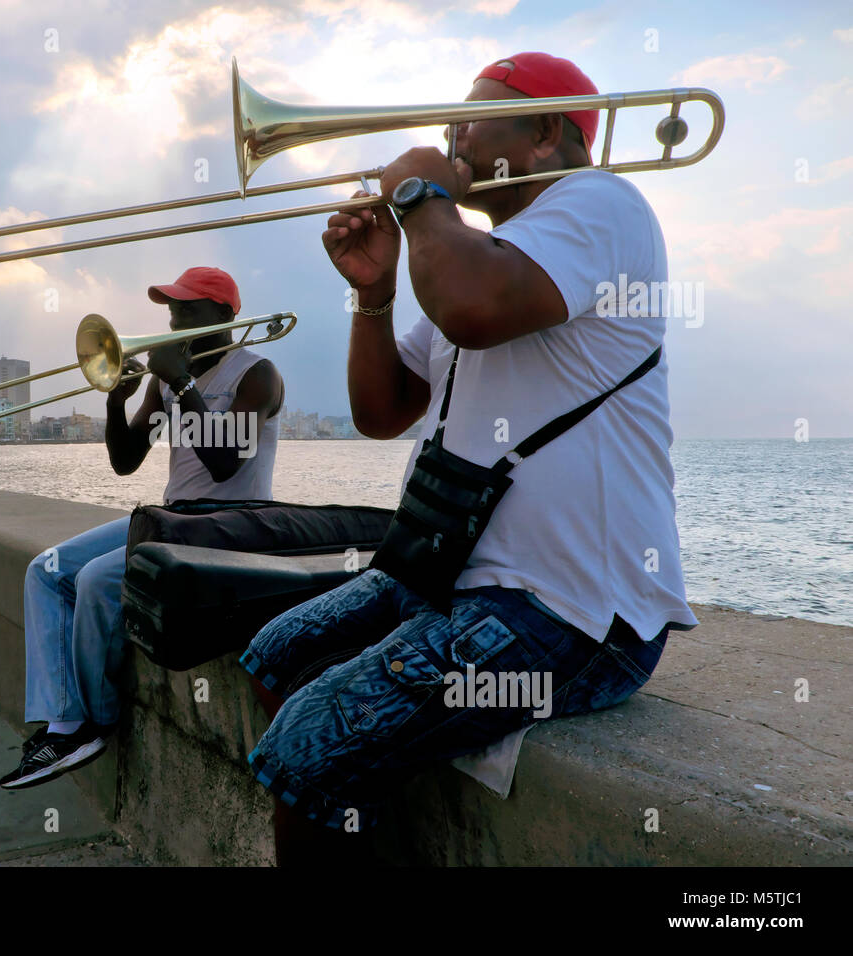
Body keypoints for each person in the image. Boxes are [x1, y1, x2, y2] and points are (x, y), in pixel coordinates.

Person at [237, 52, 699, 861]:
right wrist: (374, 295)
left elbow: (472, 308)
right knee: (273, 657)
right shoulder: (487, 252)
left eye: (470, 118)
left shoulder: (602, 203)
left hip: (569, 611)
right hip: (445, 577)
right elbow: (382, 411)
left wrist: (418, 191)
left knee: (306, 745)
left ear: (545, 132)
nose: (451, 134)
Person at [0, 266, 285, 790]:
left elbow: (226, 461)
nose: (175, 322)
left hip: (230, 524)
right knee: (46, 570)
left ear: (225, 315)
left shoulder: (256, 375)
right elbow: (126, 460)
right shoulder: (168, 382)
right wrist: (117, 398)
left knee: (97, 581)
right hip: (174, 515)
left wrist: (183, 382)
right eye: (173, 312)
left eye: (189, 310)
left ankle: (96, 723)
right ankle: (63, 724)